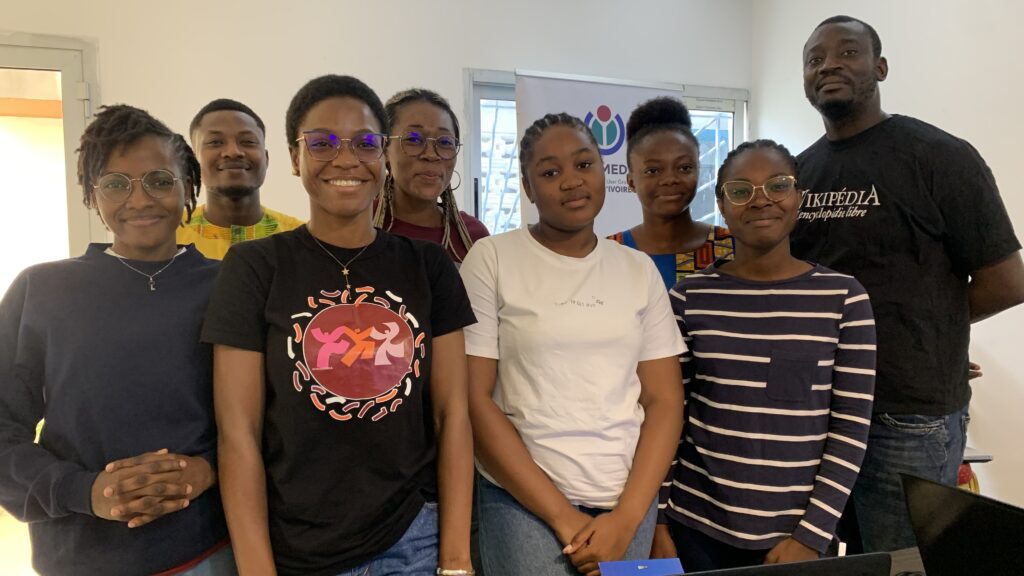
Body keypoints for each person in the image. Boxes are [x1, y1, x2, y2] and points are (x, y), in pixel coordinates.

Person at [202, 74, 476, 576]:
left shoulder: (430, 266)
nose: (346, 159)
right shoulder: (255, 266)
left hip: (412, 539)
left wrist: (456, 561)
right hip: (296, 548)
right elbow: (237, 432)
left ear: (383, 154)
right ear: (293, 156)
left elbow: (453, 415)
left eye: (365, 142)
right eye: (322, 143)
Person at [793, 15, 1024, 552]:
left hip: (908, 413)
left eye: (847, 52)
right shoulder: (799, 173)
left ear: (880, 66)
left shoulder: (939, 156)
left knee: (901, 562)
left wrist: (929, 326)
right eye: (813, 59)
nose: (828, 64)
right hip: (817, 411)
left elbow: (1007, 280)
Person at [0, 104, 232, 575]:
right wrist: (84, 492)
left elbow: (267, 420)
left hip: (205, 552)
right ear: (91, 195)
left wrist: (208, 469)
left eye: (160, 180)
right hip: (78, 556)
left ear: (190, 186)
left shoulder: (229, 288)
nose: (140, 199)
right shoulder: (42, 290)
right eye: (115, 184)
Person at [461, 112, 685, 576]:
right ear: (527, 186)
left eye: (585, 164)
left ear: (606, 173)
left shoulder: (637, 269)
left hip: (629, 501)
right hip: (522, 503)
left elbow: (664, 400)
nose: (571, 182)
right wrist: (563, 517)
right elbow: (475, 399)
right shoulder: (492, 259)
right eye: (550, 172)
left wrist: (627, 519)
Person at [651, 139, 875, 571]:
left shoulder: (845, 298)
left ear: (798, 196)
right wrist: (659, 520)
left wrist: (812, 535)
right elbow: (668, 417)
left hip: (796, 538)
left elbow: (850, 429)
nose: (760, 201)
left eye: (777, 185)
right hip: (695, 527)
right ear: (720, 203)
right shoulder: (688, 298)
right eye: (740, 190)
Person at [609, 97, 734, 289]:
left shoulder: (731, 248)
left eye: (684, 168)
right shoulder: (610, 253)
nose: (670, 179)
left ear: (698, 171)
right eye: (653, 170)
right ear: (631, 182)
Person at [178, 98, 303, 259]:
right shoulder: (166, 238)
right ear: (193, 161)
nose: (233, 151)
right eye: (215, 142)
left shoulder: (300, 241)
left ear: (266, 159)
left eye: (248, 142)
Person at [374, 88, 489, 262]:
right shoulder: (357, 225)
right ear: (385, 150)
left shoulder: (474, 236)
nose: (431, 154)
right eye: (413, 139)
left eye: (444, 142)